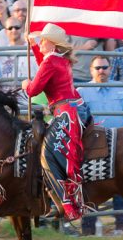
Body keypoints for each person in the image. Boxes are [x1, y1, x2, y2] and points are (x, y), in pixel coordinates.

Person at [21, 23, 87, 220]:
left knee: (48, 156)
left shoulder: (51, 61)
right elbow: (44, 65)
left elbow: (33, 90)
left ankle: (69, 206)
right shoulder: (60, 59)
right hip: (74, 108)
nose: (41, 42)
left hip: (65, 113)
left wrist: (26, 85)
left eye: (43, 40)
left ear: (52, 44)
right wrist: (33, 45)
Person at [76, 55, 123, 235]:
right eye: (98, 68)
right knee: (91, 183)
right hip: (93, 144)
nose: (101, 71)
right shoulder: (82, 91)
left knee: (121, 183)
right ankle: (88, 229)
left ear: (110, 69)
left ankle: (122, 227)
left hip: (119, 143)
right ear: (91, 70)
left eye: (104, 67)